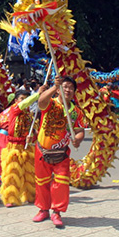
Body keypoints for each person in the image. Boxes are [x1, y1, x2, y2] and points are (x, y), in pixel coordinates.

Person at [33, 75, 85, 228]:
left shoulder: (76, 112)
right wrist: (54, 87)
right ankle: (43, 209)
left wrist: (78, 139)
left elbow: (80, 130)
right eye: (65, 87)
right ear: (59, 90)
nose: (68, 90)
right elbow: (41, 102)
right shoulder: (51, 103)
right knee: (41, 182)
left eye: (71, 88)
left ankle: (57, 212)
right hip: (42, 151)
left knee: (61, 183)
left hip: (62, 153)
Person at [0, 89, 41, 205]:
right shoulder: (14, 109)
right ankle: (1, 192)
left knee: (28, 171)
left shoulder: (27, 114)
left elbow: (31, 130)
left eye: (27, 98)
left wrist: (31, 136)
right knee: (8, 168)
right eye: (22, 98)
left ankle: (29, 194)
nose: (25, 101)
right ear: (16, 101)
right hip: (8, 140)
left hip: (23, 144)